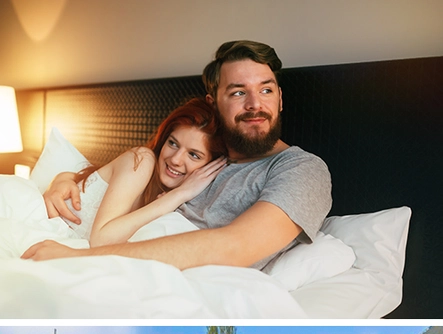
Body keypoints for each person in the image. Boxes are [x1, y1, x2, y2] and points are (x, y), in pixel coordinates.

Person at [23, 40, 332, 270]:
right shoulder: (208, 156)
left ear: (280, 99)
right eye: (238, 92)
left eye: (266, 90)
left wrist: (80, 258)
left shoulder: (301, 170)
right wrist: (65, 177)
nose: (255, 104)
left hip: (136, 268)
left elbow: (236, 246)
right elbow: (127, 180)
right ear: (213, 104)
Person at [48, 97, 228, 247]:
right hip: (47, 233)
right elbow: (101, 240)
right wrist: (179, 194)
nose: (175, 159)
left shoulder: (183, 206)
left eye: (193, 155)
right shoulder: (143, 159)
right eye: (173, 143)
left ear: (210, 166)